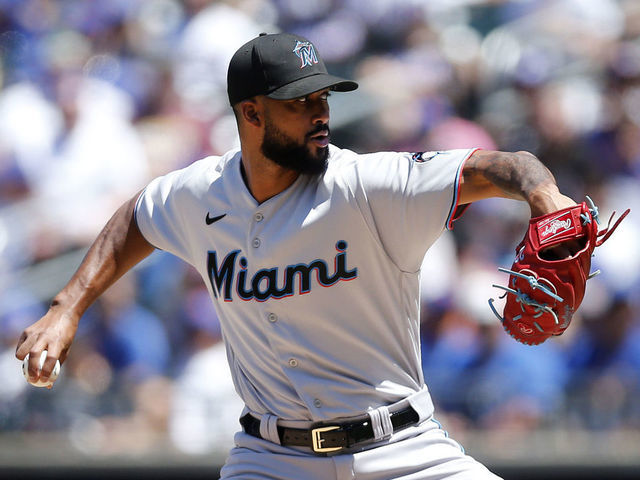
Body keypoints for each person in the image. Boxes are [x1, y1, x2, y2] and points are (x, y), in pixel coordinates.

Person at [16, 32, 576, 479]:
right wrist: (67, 306)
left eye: (323, 97)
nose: (320, 113)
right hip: (270, 459)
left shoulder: (368, 185)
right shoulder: (198, 195)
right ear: (251, 114)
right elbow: (136, 217)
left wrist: (544, 195)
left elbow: (503, 165)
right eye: (300, 101)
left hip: (404, 452)